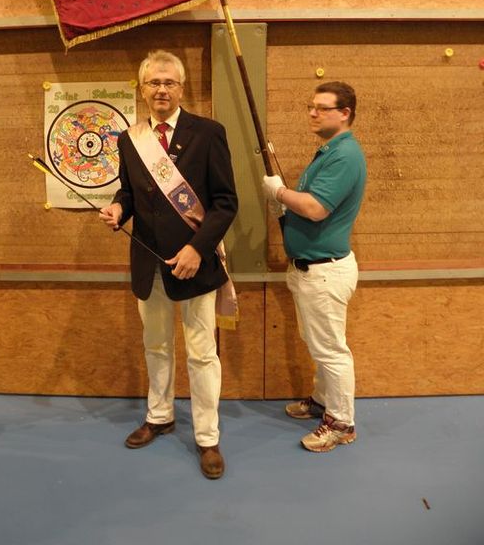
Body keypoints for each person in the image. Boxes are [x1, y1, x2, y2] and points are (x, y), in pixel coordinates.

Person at [99, 50, 238, 479]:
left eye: (169, 83)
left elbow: (225, 202)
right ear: (142, 89)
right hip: (150, 262)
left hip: (196, 265)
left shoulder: (208, 133)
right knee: (156, 346)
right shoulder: (130, 139)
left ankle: (207, 437)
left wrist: (198, 249)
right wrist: (118, 209)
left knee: (202, 354)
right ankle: (159, 416)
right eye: (154, 83)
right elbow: (128, 192)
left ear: (181, 88)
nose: (161, 90)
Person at [263, 82, 366, 453]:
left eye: (322, 108)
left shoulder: (345, 155)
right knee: (319, 344)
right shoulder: (328, 152)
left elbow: (316, 208)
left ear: (345, 113)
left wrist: (278, 192)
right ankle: (324, 401)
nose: (312, 113)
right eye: (311, 106)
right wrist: (285, 203)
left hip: (325, 271)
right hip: (312, 270)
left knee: (331, 350)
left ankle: (341, 424)